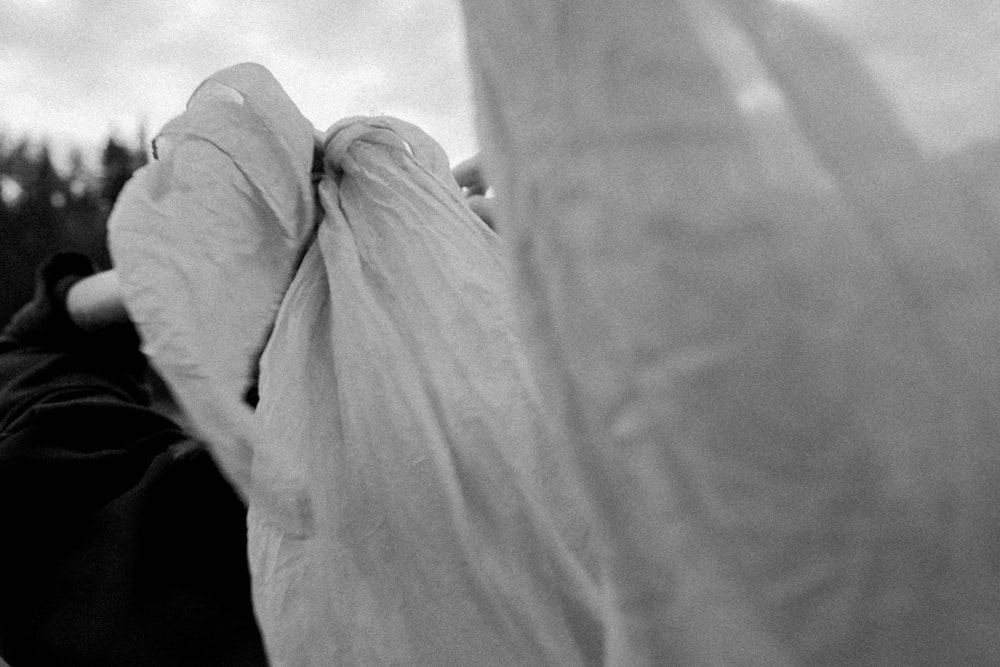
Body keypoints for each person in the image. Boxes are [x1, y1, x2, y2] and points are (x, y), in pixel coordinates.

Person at [0, 253, 268, 666]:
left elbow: (99, 298)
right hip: (166, 569)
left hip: (182, 506)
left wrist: (235, 259)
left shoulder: (25, 347)